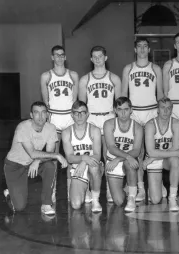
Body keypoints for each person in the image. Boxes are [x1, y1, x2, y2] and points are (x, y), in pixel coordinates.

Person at [4, 101, 68, 215]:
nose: (40, 116)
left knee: (50, 165)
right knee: (19, 207)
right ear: (31, 115)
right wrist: (57, 154)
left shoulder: (51, 128)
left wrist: (37, 161)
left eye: (43, 113)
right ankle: (10, 193)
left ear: (47, 115)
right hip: (15, 165)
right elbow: (32, 153)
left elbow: (48, 153)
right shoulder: (22, 127)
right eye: (36, 113)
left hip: (32, 162)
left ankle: (46, 203)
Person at [121, 37, 165, 201]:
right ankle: (140, 187)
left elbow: (160, 93)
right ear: (135, 49)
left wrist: (162, 114)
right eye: (139, 46)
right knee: (138, 152)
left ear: (149, 50)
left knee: (154, 148)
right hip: (134, 113)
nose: (142, 49)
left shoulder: (156, 69)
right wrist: (123, 113)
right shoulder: (128, 68)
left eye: (145, 46)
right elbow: (124, 94)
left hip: (152, 112)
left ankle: (158, 182)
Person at [78, 46, 121, 202]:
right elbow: (81, 106)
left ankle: (110, 189)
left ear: (106, 58)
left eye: (100, 56)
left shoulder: (114, 78)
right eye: (94, 57)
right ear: (91, 59)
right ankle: (88, 189)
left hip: (109, 117)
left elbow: (120, 104)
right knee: (91, 155)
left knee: (109, 154)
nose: (97, 59)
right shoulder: (85, 79)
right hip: (92, 118)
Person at [40, 45, 79, 202]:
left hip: (69, 118)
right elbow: (46, 101)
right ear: (52, 57)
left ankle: (73, 189)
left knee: (71, 156)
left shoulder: (73, 75)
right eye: (56, 55)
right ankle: (53, 189)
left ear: (65, 57)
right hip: (55, 117)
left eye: (62, 55)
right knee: (52, 157)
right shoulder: (46, 76)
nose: (59, 57)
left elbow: (75, 101)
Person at [143, 97, 179, 211]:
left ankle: (172, 197)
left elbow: (176, 147)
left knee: (175, 159)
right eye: (162, 108)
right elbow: (151, 151)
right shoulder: (150, 125)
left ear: (172, 110)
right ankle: (158, 184)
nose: (166, 111)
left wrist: (152, 157)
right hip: (154, 158)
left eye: (168, 108)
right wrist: (152, 157)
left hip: (160, 158)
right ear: (157, 109)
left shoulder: (176, 123)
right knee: (156, 200)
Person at [103, 97, 143, 212]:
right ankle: (126, 187)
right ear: (115, 110)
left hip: (125, 161)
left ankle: (131, 198)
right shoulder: (109, 124)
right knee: (118, 201)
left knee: (130, 163)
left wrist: (119, 159)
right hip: (113, 161)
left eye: (126, 109)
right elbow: (111, 148)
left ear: (131, 110)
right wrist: (125, 157)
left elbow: (136, 150)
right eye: (120, 109)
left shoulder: (138, 127)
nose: (123, 112)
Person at [61, 101, 103, 212]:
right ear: (72, 115)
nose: (79, 116)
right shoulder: (66, 132)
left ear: (88, 114)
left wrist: (84, 161)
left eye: (83, 112)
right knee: (75, 205)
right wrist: (84, 158)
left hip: (92, 166)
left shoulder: (95, 130)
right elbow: (69, 158)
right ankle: (86, 190)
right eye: (76, 113)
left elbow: (98, 155)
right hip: (77, 169)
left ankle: (95, 200)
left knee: (94, 166)